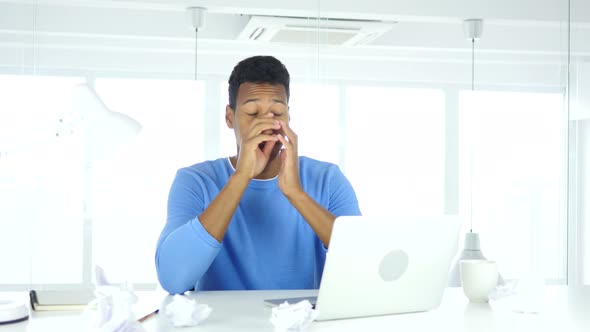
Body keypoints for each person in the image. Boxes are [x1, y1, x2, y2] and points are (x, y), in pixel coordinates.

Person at [155, 55, 361, 294]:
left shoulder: (328, 178)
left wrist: (295, 193)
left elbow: (362, 262)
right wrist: (241, 176)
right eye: (253, 113)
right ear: (230, 117)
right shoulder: (194, 181)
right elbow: (173, 279)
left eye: (277, 112)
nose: (267, 123)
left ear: (288, 117)